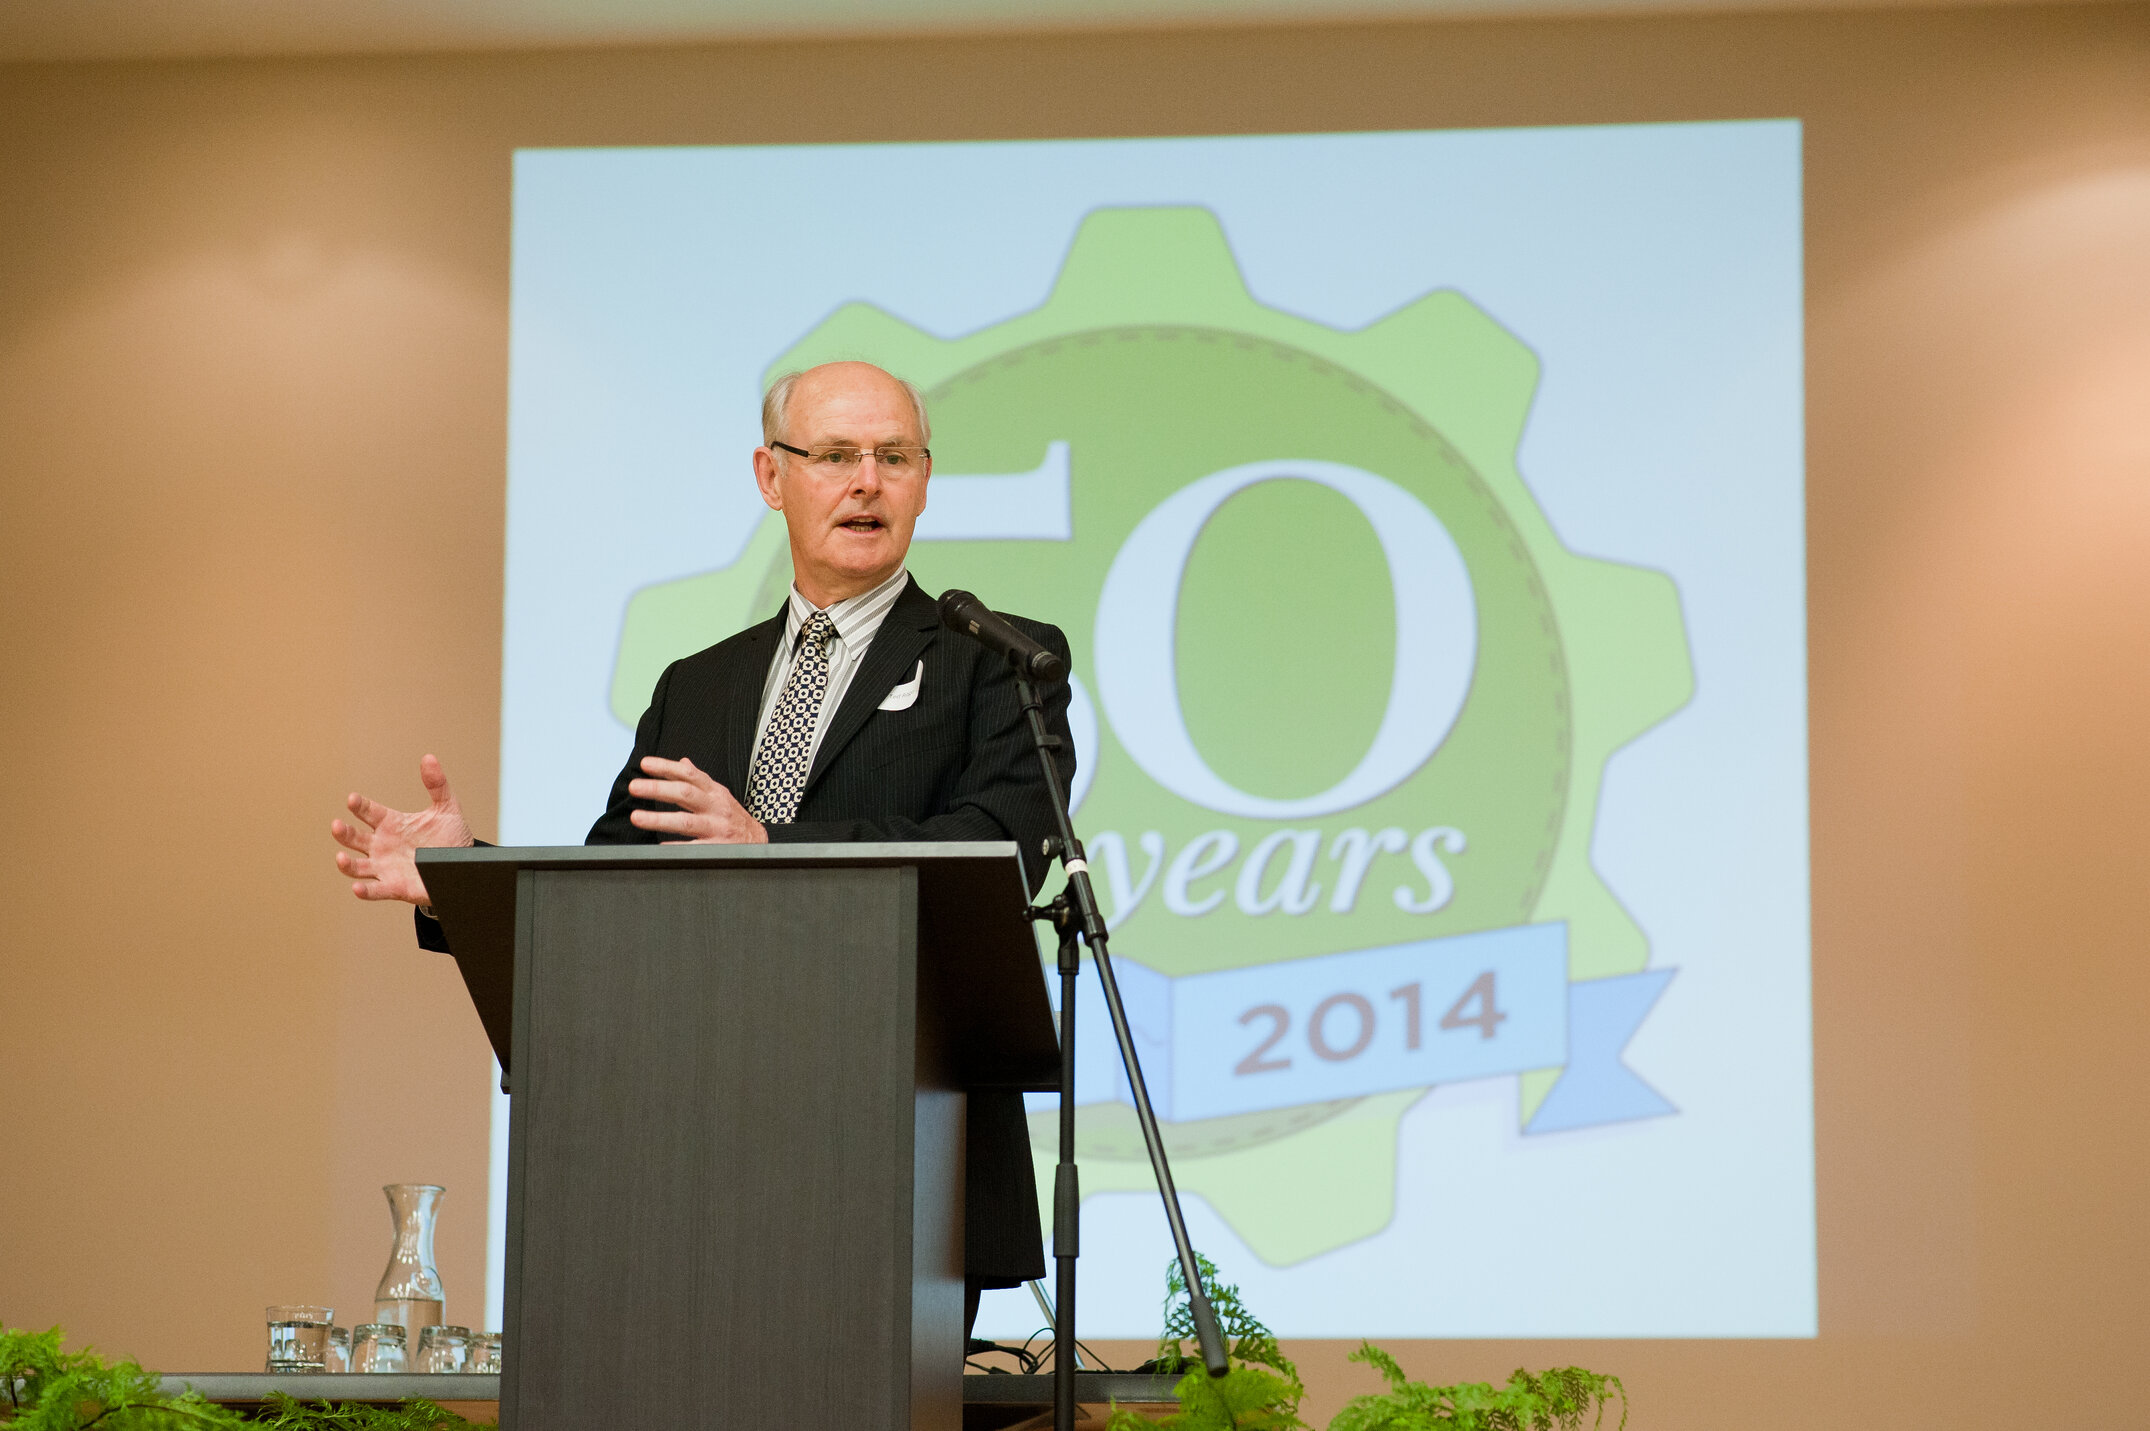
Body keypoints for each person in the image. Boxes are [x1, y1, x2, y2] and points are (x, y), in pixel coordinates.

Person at [330, 359, 1074, 1340]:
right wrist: (461, 876)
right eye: (838, 455)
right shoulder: (697, 687)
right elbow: (612, 895)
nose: (867, 482)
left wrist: (772, 843)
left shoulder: (998, 661)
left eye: (894, 457)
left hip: (902, 1157)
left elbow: (1001, 846)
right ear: (771, 476)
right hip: (681, 1163)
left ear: (924, 480)